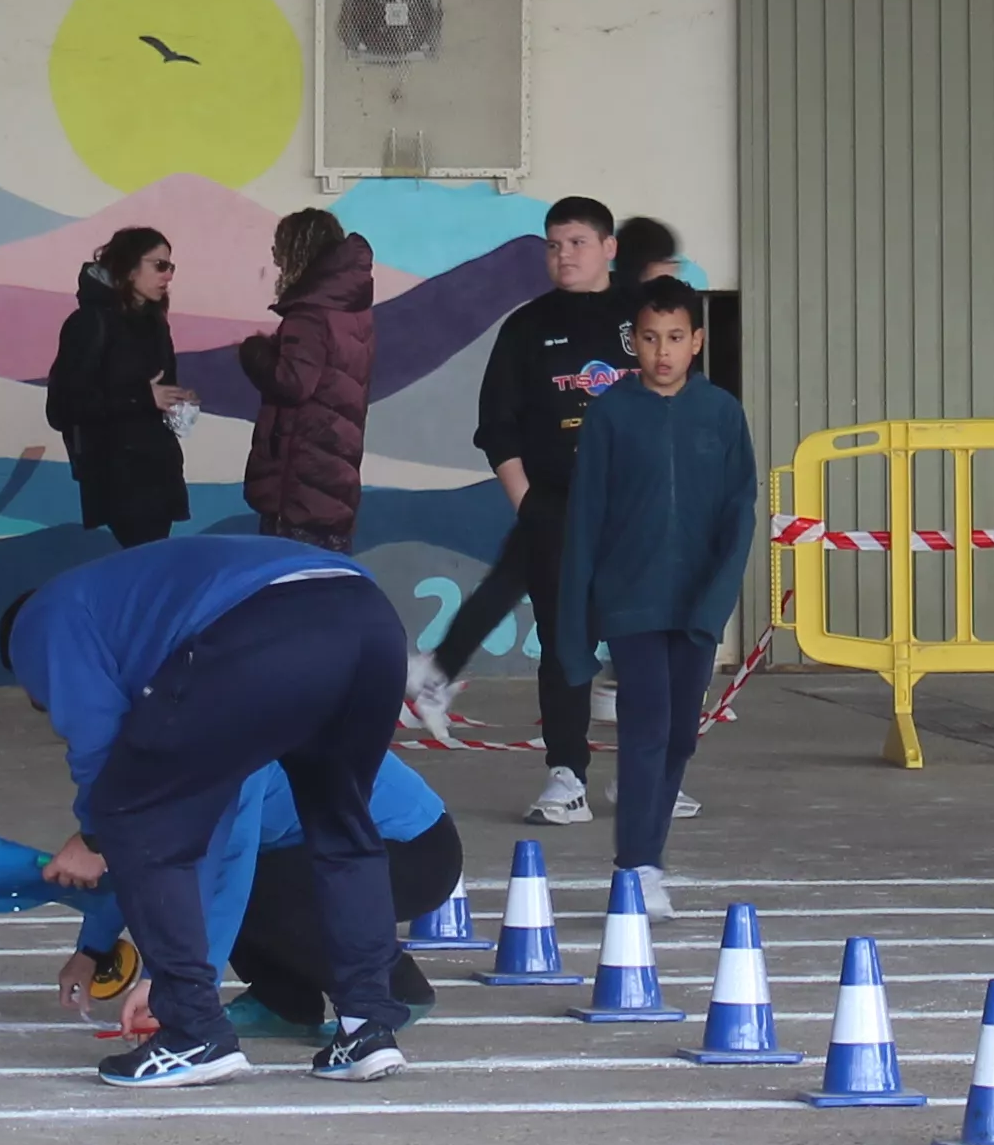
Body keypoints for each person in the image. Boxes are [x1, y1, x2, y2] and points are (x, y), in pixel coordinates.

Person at [3, 533, 421, 1087]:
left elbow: (103, 757)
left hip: (266, 631)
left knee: (130, 813)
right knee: (342, 824)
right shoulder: (134, 604)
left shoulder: (43, 623)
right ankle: (367, 1025)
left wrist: (94, 834)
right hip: (371, 621)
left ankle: (192, 1031)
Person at [415, 196, 630, 823]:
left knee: (649, 643)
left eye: (578, 243)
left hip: (638, 510)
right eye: (554, 244)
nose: (564, 256)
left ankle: (654, 772)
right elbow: (497, 428)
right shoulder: (527, 325)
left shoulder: (641, 319)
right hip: (557, 507)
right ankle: (567, 777)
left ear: (608, 247)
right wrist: (529, 502)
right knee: (567, 644)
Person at [553, 274, 752, 912]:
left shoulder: (721, 413)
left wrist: (717, 600)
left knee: (679, 738)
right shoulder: (611, 415)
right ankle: (638, 866)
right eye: (648, 338)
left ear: (696, 341)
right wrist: (576, 620)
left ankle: (646, 853)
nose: (661, 352)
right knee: (646, 727)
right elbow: (585, 520)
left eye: (674, 338)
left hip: (695, 604)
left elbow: (739, 513)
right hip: (631, 599)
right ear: (631, 342)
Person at [56, 752, 464, 1037]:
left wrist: (176, 990)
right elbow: (140, 856)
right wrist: (92, 949)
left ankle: (394, 990)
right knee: (254, 885)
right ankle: (284, 1003)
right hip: (321, 848)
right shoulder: (154, 746)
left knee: (254, 890)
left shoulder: (234, 746)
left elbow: (222, 876)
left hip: (413, 850)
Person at [43, 223, 194, 550]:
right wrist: (142, 397)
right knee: (144, 570)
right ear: (128, 268)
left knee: (152, 567)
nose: (168, 275)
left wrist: (177, 401)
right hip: (118, 476)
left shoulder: (154, 323)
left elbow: (158, 390)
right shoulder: (90, 323)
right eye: (159, 265)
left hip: (159, 471)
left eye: (170, 266)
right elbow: (63, 407)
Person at [238, 208, 378, 552]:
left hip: (301, 479)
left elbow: (293, 383)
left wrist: (255, 352)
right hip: (332, 471)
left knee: (288, 584)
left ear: (299, 252)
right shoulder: (349, 310)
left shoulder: (310, 313)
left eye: (280, 248)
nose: (275, 258)